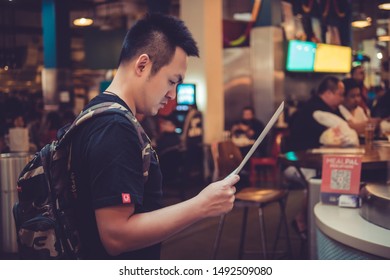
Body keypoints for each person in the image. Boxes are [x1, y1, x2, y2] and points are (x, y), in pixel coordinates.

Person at [70, 13, 239, 260]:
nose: (173, 95)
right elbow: (116, 236)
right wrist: (201, 205)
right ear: (142, 65)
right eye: (172, 81)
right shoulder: (114, 127)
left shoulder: (99, 112)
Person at [286, 76, 345, 239]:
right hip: (298, 164)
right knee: (320, 179)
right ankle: (307, 223)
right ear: (328, 93)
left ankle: (329, 227)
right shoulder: (314, 110)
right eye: (340, 94)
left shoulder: (331, 109)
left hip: (316, 163)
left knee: (337, 174)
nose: (342, 98)